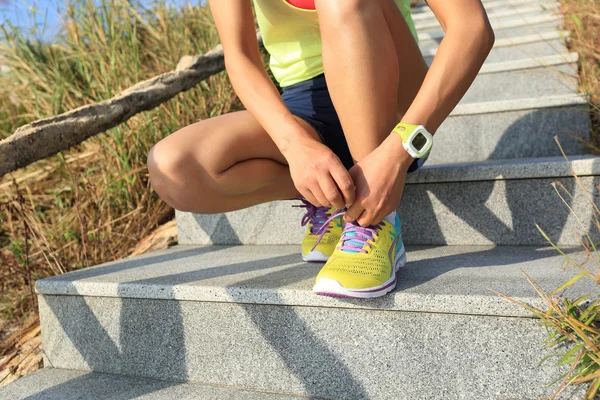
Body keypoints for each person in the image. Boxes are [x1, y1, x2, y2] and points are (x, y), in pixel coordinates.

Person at [147, 0, 495, 298]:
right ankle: (332, 196)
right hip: (304, 108)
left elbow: (471, 28)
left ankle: (374, 220)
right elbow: (239, 57)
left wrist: (400, 147)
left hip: (397, 104)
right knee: (175, 167)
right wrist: (295, 145)